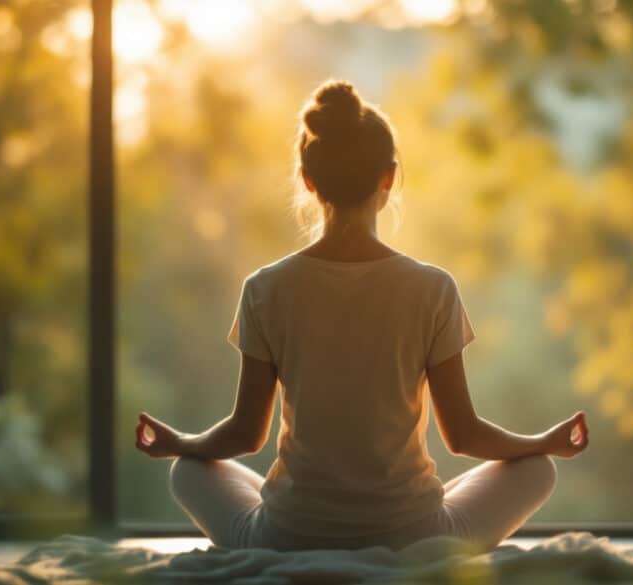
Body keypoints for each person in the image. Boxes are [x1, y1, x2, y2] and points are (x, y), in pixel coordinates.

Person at [134, 79, 589, 552]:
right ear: (388, 177)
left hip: (288, 535)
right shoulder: (433, 288)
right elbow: (463, 435)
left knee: (187, 468)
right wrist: (543, 441)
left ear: (308, 181)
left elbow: (247, 434)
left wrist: (180, 442)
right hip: (412, 536)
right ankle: (415, 516)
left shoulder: (265, 288)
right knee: (538, 467)